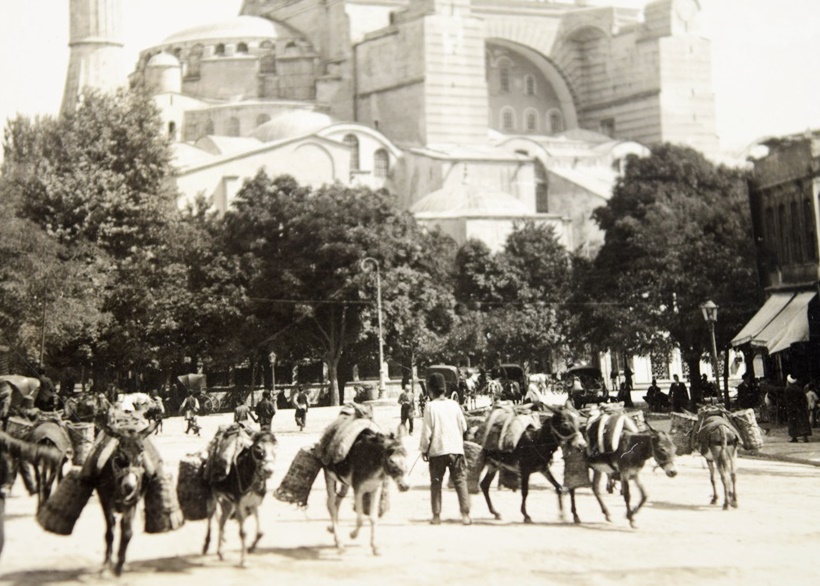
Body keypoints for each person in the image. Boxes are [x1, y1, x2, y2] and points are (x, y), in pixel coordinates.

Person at [419, 372, 471, 526]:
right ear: (444, 389)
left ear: (430, 390)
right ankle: (465, 515)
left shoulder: (430, 407)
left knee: (436, 483)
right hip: (456, 450)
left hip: (438, 450)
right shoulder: (454, 404)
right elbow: (464, 426)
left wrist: (424, 449)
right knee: (460, 481)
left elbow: (426, 432)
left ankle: (436, 516)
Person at [785, 374, 811, 443]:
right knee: (803, 422)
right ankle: (805, 437)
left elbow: (787, 400)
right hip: (801, 408)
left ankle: (794, 437)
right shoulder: (800, 389)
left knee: (793, 423)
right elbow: (804, 399)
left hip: (792, 408)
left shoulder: (787, 389)